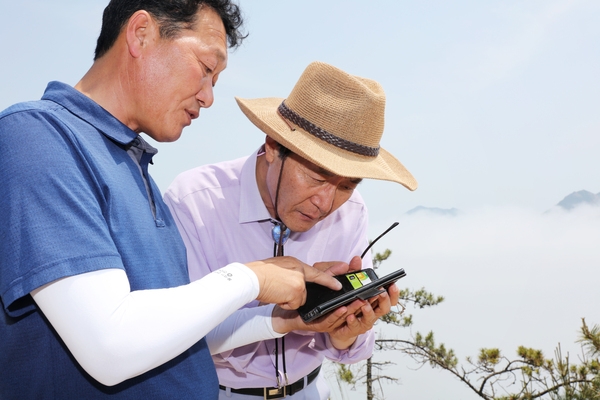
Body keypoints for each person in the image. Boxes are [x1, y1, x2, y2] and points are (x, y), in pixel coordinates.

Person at [0, 2, 345, 399]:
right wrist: (251, 278)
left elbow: (174, 339)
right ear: (141, 33)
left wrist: (281, 321)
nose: (209, 97)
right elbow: (110, 346)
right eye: (205, 68)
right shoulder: (38, 137)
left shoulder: (133, 167)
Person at [164, 61, 418, 399]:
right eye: (316, 177)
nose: (326, 203)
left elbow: (348, 348)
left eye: (347, 186)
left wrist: (345, 332)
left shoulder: (352, 212)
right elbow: (176, 336)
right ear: (273, 146)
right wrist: (282, 315)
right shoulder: (195, 202)